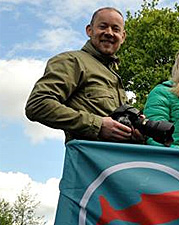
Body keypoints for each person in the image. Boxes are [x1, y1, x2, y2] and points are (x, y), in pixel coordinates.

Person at [26, 7, 143, 143]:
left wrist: (134, 133)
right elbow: (37, 104)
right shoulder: (72, 61)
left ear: (123, 37)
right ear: (89, 30)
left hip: (117, 161)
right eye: (103, 27)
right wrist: (98, 125)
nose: (109, 33)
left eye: (115, 29)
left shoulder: (113, 76)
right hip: (88, 159)